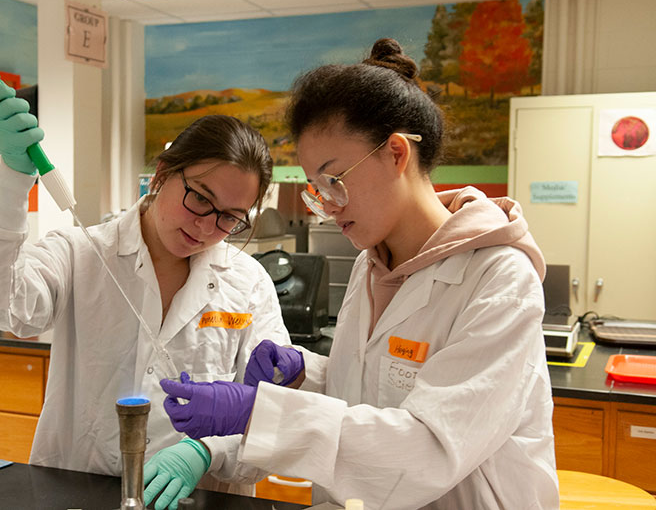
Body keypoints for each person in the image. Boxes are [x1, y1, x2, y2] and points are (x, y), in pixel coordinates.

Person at [158, 38, 560, 509]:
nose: (326, 206)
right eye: (316, 188)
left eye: (334, 181)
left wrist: (257, 413)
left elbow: (428, 449)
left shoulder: (498, 277)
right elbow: (377, 388)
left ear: (395, 154)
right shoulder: (374, 264)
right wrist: (306, 374)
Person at [0, 80, 293, 510]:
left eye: (230, 219)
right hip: (78, 494)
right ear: (162, 174)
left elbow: (273, 414)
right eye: (200, 198)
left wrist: (208, 452)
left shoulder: (248, 282)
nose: (206, 227)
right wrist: (13, 177)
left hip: (202, 500)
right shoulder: (79, 254)